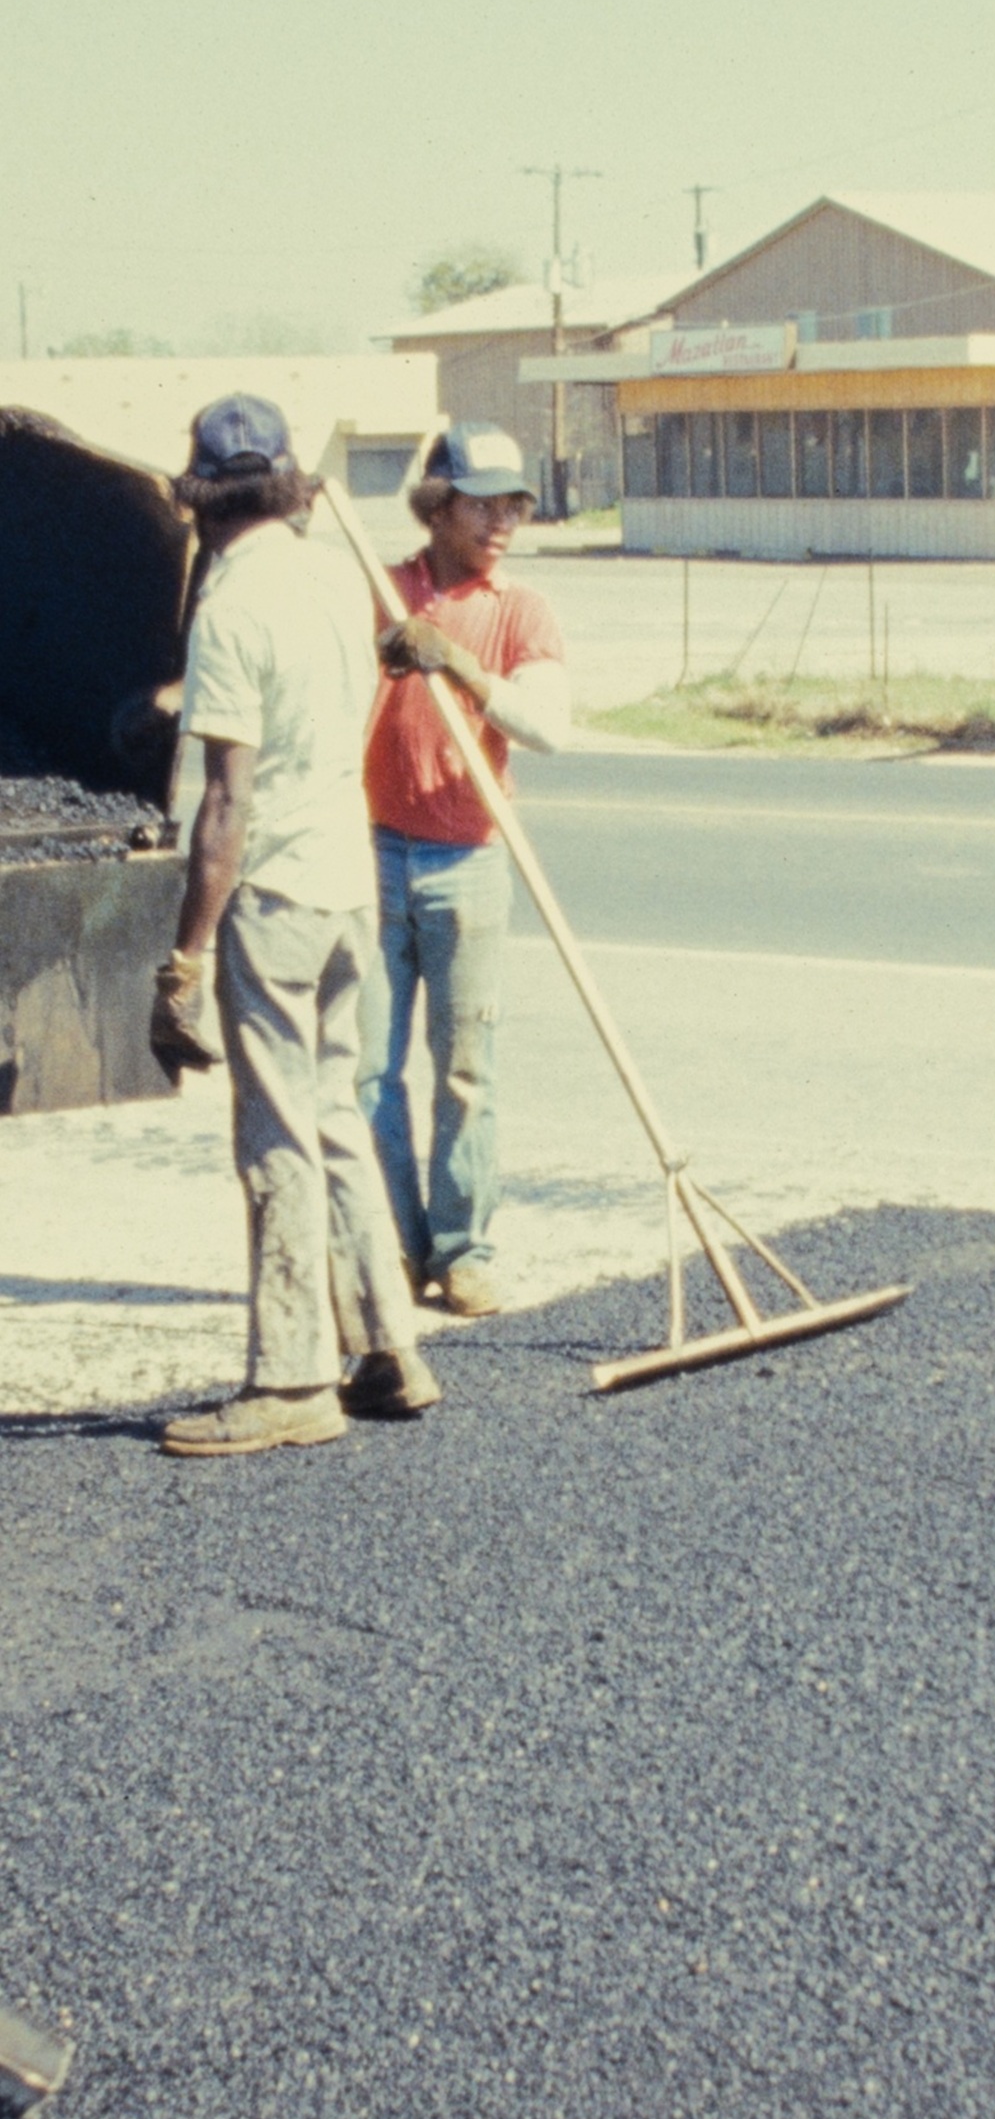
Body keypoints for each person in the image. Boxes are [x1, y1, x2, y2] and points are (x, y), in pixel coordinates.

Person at [150, 394, 436, 1454]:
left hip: (272, 896)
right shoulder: (327, 580)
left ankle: (289, 1381)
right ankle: (389, 1349)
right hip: (349, 885)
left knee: (275, 1132)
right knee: (334, 1116)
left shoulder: (228, 608)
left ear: (202, 501)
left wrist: (183, 956)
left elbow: (226, 805)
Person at [360, 420, 569, 1316]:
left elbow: (550, 728)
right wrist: (387, 646)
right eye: (482, 502)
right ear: (437, 506)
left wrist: (464, 670)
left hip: (469, 860)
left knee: (465, 1066)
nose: (502, 520)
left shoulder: (520, 609)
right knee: (367, 1070)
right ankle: (392, 1249)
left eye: (513, 503)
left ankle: (464, 1249)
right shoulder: (382, 589)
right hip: (371, 853)